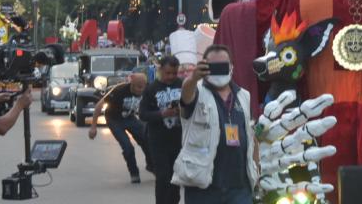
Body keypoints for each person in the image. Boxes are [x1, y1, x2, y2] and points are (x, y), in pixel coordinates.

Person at [172, 45, 258, 204]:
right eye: (213, 66)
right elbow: (186, 95)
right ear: (203, 66)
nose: (218, 70)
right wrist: (193, 78)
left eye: (223, 65)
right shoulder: (196, 92)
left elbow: (251, 136)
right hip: (203, 187)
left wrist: (256, 172)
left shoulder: (243, 95)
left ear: (232, 66)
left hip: (239, 188)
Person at [88, 72, 152, 183]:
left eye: (143, 87)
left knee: (147, 139)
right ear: (131, 84)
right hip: (114, 120)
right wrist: (93, 127)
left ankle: (151, 165)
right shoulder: (119, 90)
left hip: (130, 117)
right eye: (138, 87)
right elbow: (99, 105)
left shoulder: (147, 90)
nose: (141, 90)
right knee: (128, 147)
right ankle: (134, 173)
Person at [139, 56, 183, 204]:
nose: (171, 77)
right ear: (160, 70)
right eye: (168, 73)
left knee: (176, 177)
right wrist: (162, 114)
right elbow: (143, 114)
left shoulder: (183, 85)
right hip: (158, 140)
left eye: (174, 73)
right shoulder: (151, 89)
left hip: (178, 139)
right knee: (163, 176)